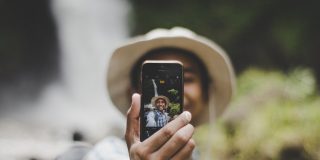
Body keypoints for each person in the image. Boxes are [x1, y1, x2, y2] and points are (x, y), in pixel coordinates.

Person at [56, 27, 235, 160]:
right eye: (153, 81)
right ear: (132, 94)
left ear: (206, 92)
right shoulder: (106, 153)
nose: (173, 93)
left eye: (185, 79)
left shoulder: (195, 155)